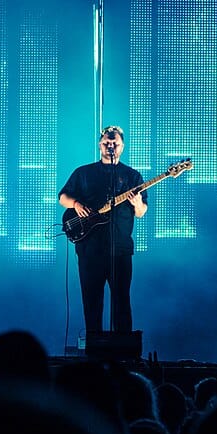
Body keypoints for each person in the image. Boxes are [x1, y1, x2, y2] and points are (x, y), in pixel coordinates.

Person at [59, 125, 147, 333]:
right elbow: (63, 197)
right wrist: (77, 204)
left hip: (120, 249)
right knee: (92, 302)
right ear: (100, 145)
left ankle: (123, 347)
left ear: (122, 146)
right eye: (107, 142)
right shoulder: (83, 173)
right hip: (89, 248)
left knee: (121, 301)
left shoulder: (133, 176)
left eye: (115, 143)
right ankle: (94, 345)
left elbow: (141, 212)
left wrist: (137, 203)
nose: (111, 146)